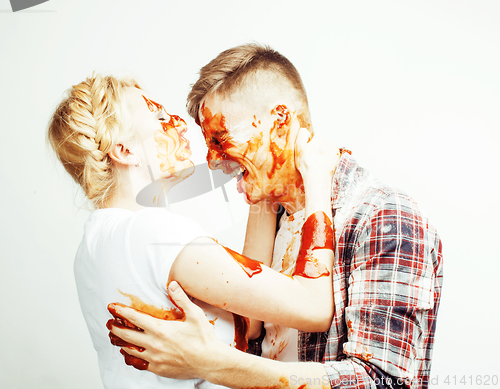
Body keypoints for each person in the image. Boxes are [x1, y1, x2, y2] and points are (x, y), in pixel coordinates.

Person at [107, 44, 444, 389]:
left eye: (221, 138)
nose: (210, 161)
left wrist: (213, 364)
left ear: (281, 121)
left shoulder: (384, 217)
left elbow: (382, 383)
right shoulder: (272, 215)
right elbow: (252, 334)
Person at [48, 73, 340, 389]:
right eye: (159, 117)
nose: (178, 122)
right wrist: (317, 180)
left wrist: (262, 185)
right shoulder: (153, 233)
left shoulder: (96, 244)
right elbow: (314, 308)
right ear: (124, 151)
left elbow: (249, 323)